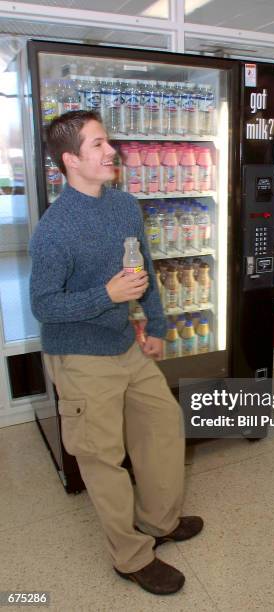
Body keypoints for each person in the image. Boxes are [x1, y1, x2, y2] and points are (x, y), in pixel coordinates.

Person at [29, 110, 203, 595]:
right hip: (80, 357)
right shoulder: (54, 230)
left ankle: (158, 522)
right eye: (99, 145)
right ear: (70, 160)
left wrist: (156, 323)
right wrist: (106, 296)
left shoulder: (124, 204)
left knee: (163, 425)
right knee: (103, 458)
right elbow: (43, 305)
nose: (112, 152)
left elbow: (141, 266)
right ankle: (130, 557)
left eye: (109, 142)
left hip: (126, 345)